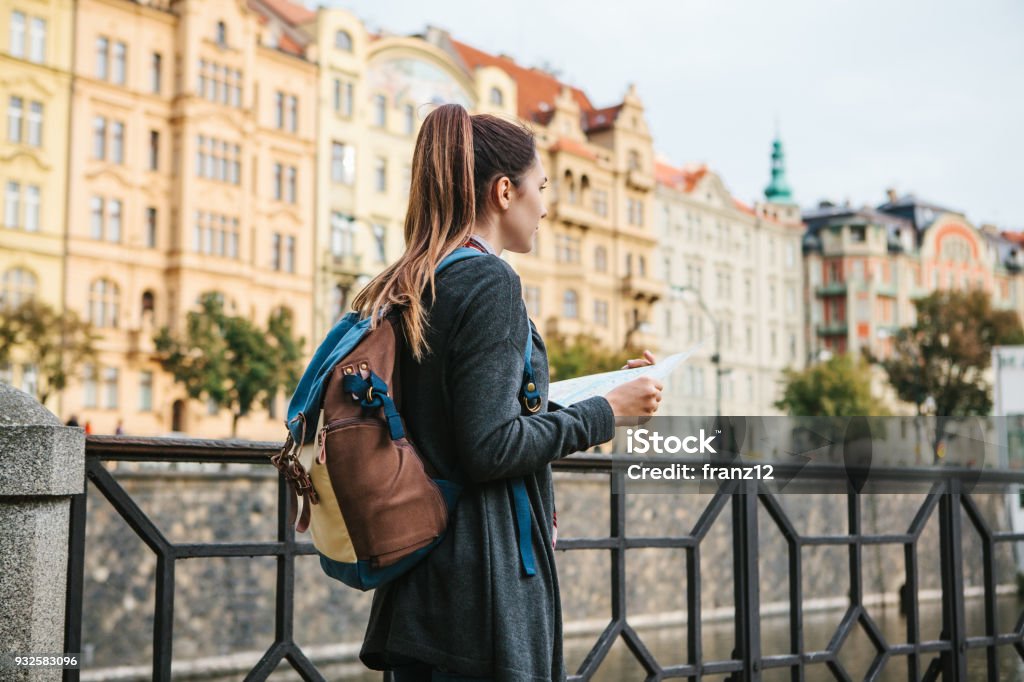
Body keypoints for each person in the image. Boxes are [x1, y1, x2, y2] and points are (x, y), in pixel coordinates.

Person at [353, 103, 663, 681]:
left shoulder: (420, 276)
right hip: (480, 591)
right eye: (540, 187)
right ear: (503, 191)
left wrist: (599, 392)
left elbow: (470, 411)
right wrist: (607, 413)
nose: (545, 206)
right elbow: (490, 446)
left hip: (425, 581)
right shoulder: (490, 281)